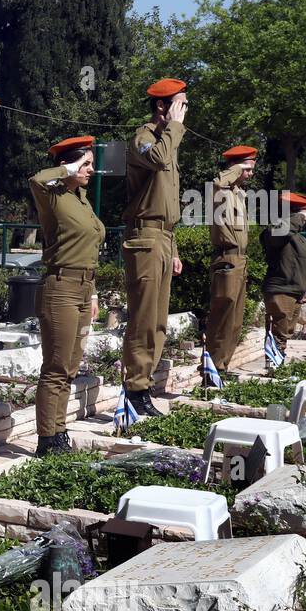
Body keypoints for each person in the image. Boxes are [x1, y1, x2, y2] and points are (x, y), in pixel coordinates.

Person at [29, 136, 104, 456]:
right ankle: (47, 438)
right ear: (68, 164)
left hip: (84, 289)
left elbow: (89, 249)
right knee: (57, 366)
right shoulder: (54, 195)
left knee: (71, 366)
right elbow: (37, 178)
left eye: (90, 163)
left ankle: (59, 430)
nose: (91, 169)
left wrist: (94, 293)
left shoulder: (82, 198)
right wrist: (69, 169)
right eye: (85, 164)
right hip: (59, 288)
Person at [120, 78, 188, 417]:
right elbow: (159, 158)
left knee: (159, 320)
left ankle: (143, 385)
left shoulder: (168, 140)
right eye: (179, 104)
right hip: (144, 238)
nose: (183, 111)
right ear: (162, 106)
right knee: (144, 318)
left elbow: (166, 204)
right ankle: (134, 389)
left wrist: (173, 247)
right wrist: (174, 126)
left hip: (163, 237)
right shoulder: (144, 139)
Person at [204, 145, 257, 381]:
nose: (250, 174)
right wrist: (236, 169)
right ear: (236, 167)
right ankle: (213, 368)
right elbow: (217, 183)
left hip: (239, 259)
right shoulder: (221, 191)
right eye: (248, 169)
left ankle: (222, 366)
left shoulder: (238, 193)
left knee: (235, 320)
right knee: (222, 316)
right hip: (227, 257)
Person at [261, 191, 306, 360]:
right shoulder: (275, 230)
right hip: (280, 290)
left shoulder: (299, 238)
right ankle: (273, 364)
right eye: (305, 212)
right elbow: (280, 233)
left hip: (294, 290)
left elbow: (300, 265)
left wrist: (303, 289)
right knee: (278, 332)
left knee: (286, 333)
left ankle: (279, 362)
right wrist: (297, 217)